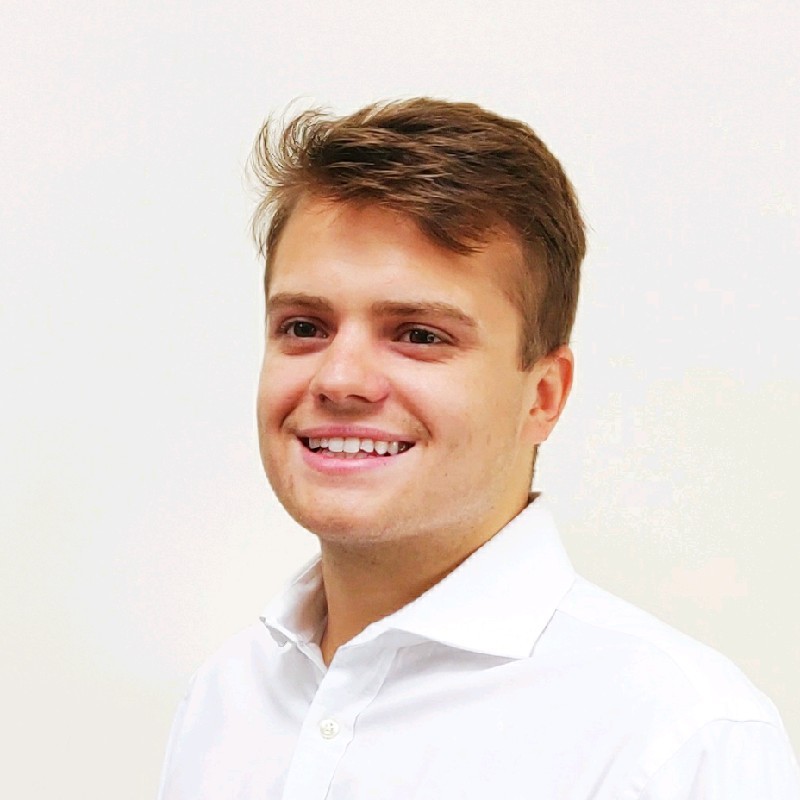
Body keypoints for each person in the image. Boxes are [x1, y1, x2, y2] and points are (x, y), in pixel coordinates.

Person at [157, 98, 800, 799]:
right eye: (304, 326)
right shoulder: (226, 698)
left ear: (543, 396)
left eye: (419, 335)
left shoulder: (678, 744)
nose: (339, 379)